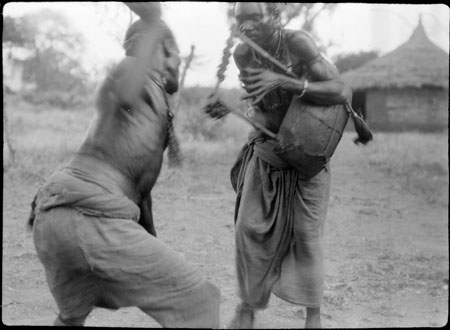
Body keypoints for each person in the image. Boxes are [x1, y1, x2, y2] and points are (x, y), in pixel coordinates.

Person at [28, 3, 220, 327]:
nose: (177, 60)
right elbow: (126, 90)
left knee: (72, 317)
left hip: (59, 218)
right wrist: (152, 24)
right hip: (85, 215)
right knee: (200, 301)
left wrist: (153, 246)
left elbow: (141, 194)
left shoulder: (153, 104)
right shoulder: (132, 70)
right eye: (170, 50)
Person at [228, 3, 352, 329]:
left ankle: (314, 316)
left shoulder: (298, 43)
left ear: (275, 16)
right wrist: (226, 106)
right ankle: (247, 307)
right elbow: (261, 108)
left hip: (306, 154)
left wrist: (286, 82)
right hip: (268, 152)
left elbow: (341, 91)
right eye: (240, 19)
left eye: (255, 17)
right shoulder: (242, 54)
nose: (247, 25)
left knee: (307, 236)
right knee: (248, 229)